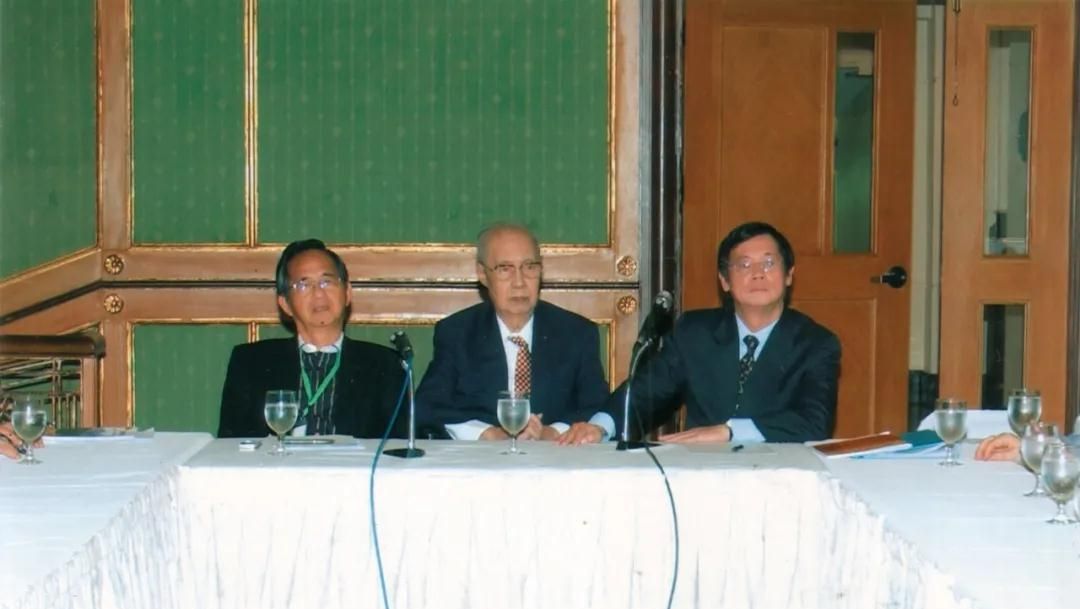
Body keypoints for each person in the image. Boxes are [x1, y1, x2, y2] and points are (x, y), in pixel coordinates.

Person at [559, 221, 840, 445]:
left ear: (789, 274)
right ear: (724, 281)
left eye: (768, 263)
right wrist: (600, 426)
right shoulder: (695, 333)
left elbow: (814, 423)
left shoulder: (816, 343)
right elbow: (646, 391)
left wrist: (729, 432)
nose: (757, 273)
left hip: (779, 476)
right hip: (703, 472)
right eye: (743, 265)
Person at [415, 223, 609, 440]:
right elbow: (428, 406)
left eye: (529, 267)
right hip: (483, 457)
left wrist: (552, 432)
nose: (519, 282)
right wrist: (486, 434)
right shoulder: (457, 332)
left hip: (556, 454)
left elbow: (599, 407)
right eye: (505, 269)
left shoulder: (576, 333)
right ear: (482, 274)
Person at [217, 239, 406, 438]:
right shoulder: (251, 362)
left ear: (348, 293)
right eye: (304, 284)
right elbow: (230, 444)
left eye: (327, 281)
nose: (318, 293)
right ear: (285, 304)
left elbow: (397, 447)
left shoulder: (385, 365)